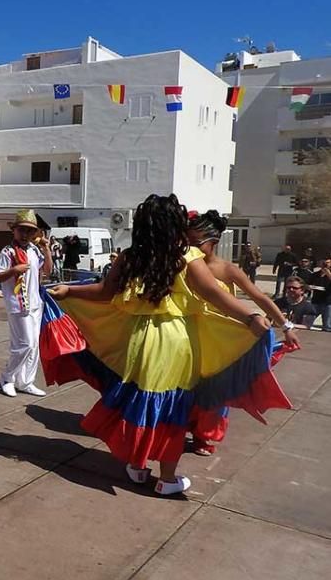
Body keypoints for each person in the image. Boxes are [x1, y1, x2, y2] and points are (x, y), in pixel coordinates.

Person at [47, 194, 291, 496]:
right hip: (175, 341)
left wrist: (68, 289)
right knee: (173, 405)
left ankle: (137, 467)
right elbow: (217, 296)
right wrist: (252, 317)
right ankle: (168, 478)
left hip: (139, 339)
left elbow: (103, 293)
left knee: (142, 398)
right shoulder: (186, 258)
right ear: (174, 225)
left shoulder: (129, 257)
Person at [186, 210, 299, 456]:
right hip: (191, 333)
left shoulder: (227, 269)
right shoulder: (183, 264)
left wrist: (286, 326)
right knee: (187, 384)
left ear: (213, 242)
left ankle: (205, 436)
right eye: (187, 241)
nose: (190, 246)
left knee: (218, 387)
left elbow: (259, 297)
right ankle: (183, 425)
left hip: (222, 337)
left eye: (196, 242)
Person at [0, 209, 52, 398]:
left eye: (29, 231)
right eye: (22, 230)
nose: (25, 234)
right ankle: (7, 377)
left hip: (35, 303)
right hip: (18, 304)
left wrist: (47, 249)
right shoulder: (8, 251)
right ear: (14, 231)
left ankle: (26, 381)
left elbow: (48, 272)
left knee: (34, 346)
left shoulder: (34, 251)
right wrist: (14, 270)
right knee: (24, 344)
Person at [310, 258, 331, 331]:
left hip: (327, 302)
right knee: (308, 321)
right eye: (324, 262)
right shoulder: (315, 274)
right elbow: (308, 283)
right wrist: (309, 287)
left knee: (327, 326)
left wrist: (328, 274)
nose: (326, 264)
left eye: (328, 262)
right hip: (316, 301)